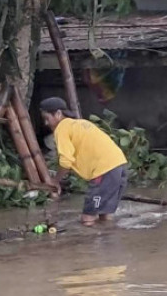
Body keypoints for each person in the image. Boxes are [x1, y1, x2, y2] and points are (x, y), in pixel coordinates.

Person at [39, 97, 129, 226]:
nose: (46, 123)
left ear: (58, 114)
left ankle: (89, 243)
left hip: (104, 171)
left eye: (47, 118)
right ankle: (109, 243)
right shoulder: (81, 123)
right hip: (119, 166)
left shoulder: (62, 128)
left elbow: (66, 162)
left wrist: (55, 182)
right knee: (104, 215)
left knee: (87, 219)